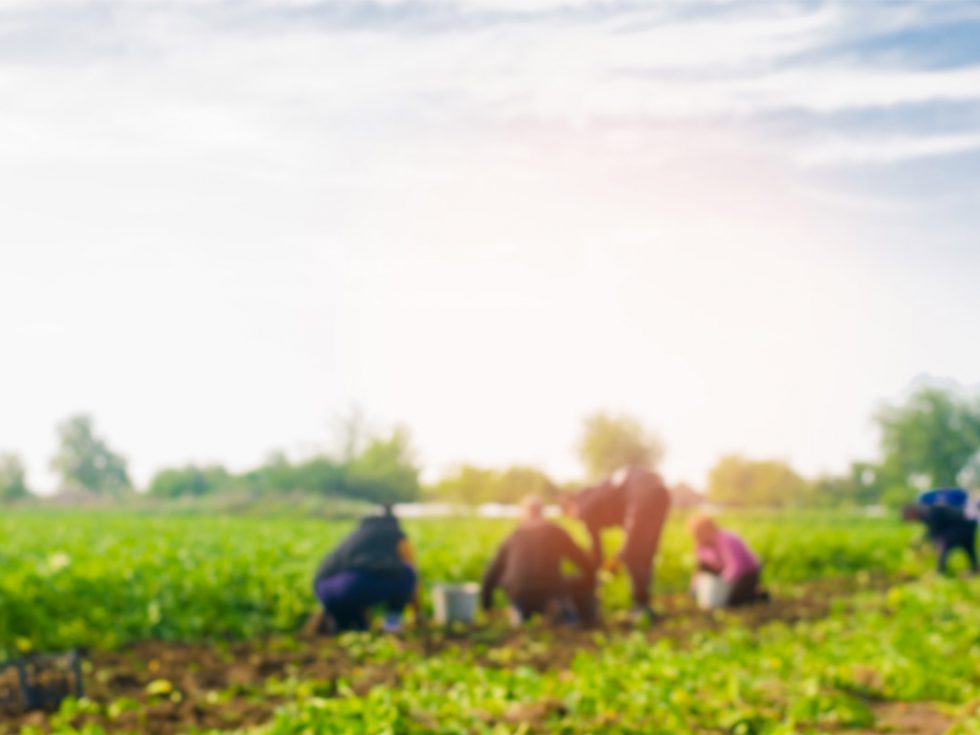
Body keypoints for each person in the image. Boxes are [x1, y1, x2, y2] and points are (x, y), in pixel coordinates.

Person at [563, 467, 671, 619]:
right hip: (661, 494)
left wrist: (596, 569)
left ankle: (641, 607)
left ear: (570, 505)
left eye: (569, 515)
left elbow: (597, 550)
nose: (575, 519)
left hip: (641, 494)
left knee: (633, 554)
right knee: (644, 554)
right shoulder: (597, 495)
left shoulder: (583, 506)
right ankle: (644, 606)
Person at [481, 496, 597, 625]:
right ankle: (582, 619)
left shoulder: (514, 536)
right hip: (551, 592)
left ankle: (519, 615)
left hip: (519, 594)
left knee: (518, 595)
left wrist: (487, 606)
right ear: (542, 514)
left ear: (523, 515)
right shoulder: (556, 532)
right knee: (579, 584)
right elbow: (584, 563)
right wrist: (592, 581)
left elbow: (491, 573)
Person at [312, 505, 421, 633]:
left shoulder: (359, 533)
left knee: (358, 629)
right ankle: (392, 625)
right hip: (353, 585)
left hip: (324, 588)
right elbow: (412, 570)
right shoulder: (395, 534)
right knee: (407, 572)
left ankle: (340, 627)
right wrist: (417, 613)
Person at [686, 514, 766, 607]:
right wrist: (694, 587)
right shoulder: (701, 545)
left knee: (731, 602)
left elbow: (736, 566)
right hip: (725, 572)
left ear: (709, 529)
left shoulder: (726, 539)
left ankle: (755, 594)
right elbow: (699, 569)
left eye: (698, 533)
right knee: (703, 567)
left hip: (747, 573)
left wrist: (722, 585)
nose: (696, 537)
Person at [904, 501, 978, 575]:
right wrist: (923, 539)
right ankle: (975, 569)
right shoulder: (925, 512)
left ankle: (941, 572)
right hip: (968, 524)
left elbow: (935, 530)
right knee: (968, 547)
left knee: (943, 547)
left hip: (959, 525)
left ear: (912, 513)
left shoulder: (926, 513)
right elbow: (935, 529)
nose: (911, 521)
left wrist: (923, 541)